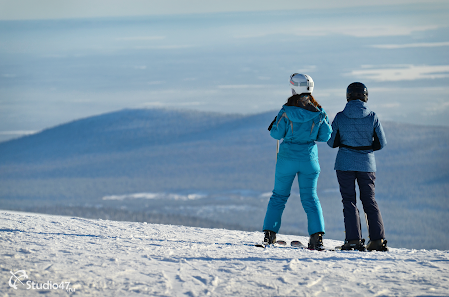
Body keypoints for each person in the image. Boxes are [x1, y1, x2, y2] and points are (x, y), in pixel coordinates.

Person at [262, 73, 332, 250]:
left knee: (279, 196)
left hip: (287, 158)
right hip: (309, 159)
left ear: (294, 88)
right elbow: (325, 136)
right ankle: (317, 238)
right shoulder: (319, 112)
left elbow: (276, 134)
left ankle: (269, 234)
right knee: (310, 198)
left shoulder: (286, 111)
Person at [327, 82, 388, 251]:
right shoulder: (372, 116)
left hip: (344, 163)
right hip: (367, 164)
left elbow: (331, 142)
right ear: (365, 96)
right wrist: (367, 149)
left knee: (349, 201)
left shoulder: (340, 117)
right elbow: (382, 143)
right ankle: (377, 240)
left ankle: (353, 240)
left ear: (348, 96)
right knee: (369, 200)